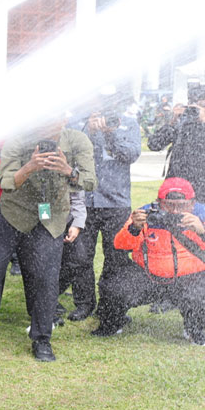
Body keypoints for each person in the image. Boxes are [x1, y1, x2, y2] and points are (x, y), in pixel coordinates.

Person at [0, 118, 95, 361]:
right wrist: (30, 166)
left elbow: (90, 182)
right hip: (12, 213)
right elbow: (6, 183)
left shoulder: (77, 140)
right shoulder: (18, 138)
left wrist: (67, 170)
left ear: (62, 116)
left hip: (50, 218)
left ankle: (42, 338)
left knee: (46, 277)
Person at [95, 177, 205, 346]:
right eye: (169, 205)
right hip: (148, 275)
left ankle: (194, 331)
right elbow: (120, 244)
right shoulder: (146, 213)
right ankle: (112, 323)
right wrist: (134, 228)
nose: (175, 211)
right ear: (158, 202)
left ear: (192, 203)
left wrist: (203, 231)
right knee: (115, 288)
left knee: (202, 297)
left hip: (189, 276)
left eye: (182, 205)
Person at [57, 103, 141, 321]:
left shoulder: (128, 123)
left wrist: (110, 134)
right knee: (80, 256)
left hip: (116, 202)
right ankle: (84, 304)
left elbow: (131, 154)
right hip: (84, 200)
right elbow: (67, 155)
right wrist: (89, 132)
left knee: (116, 256)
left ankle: (110, 304)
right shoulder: (81, 124)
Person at [147, 84, 205, 213]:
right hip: (177, 198)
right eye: (193, 106)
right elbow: (154, 144)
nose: (199, 110)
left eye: (204, 106)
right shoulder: (182, 124)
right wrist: (173, 121)